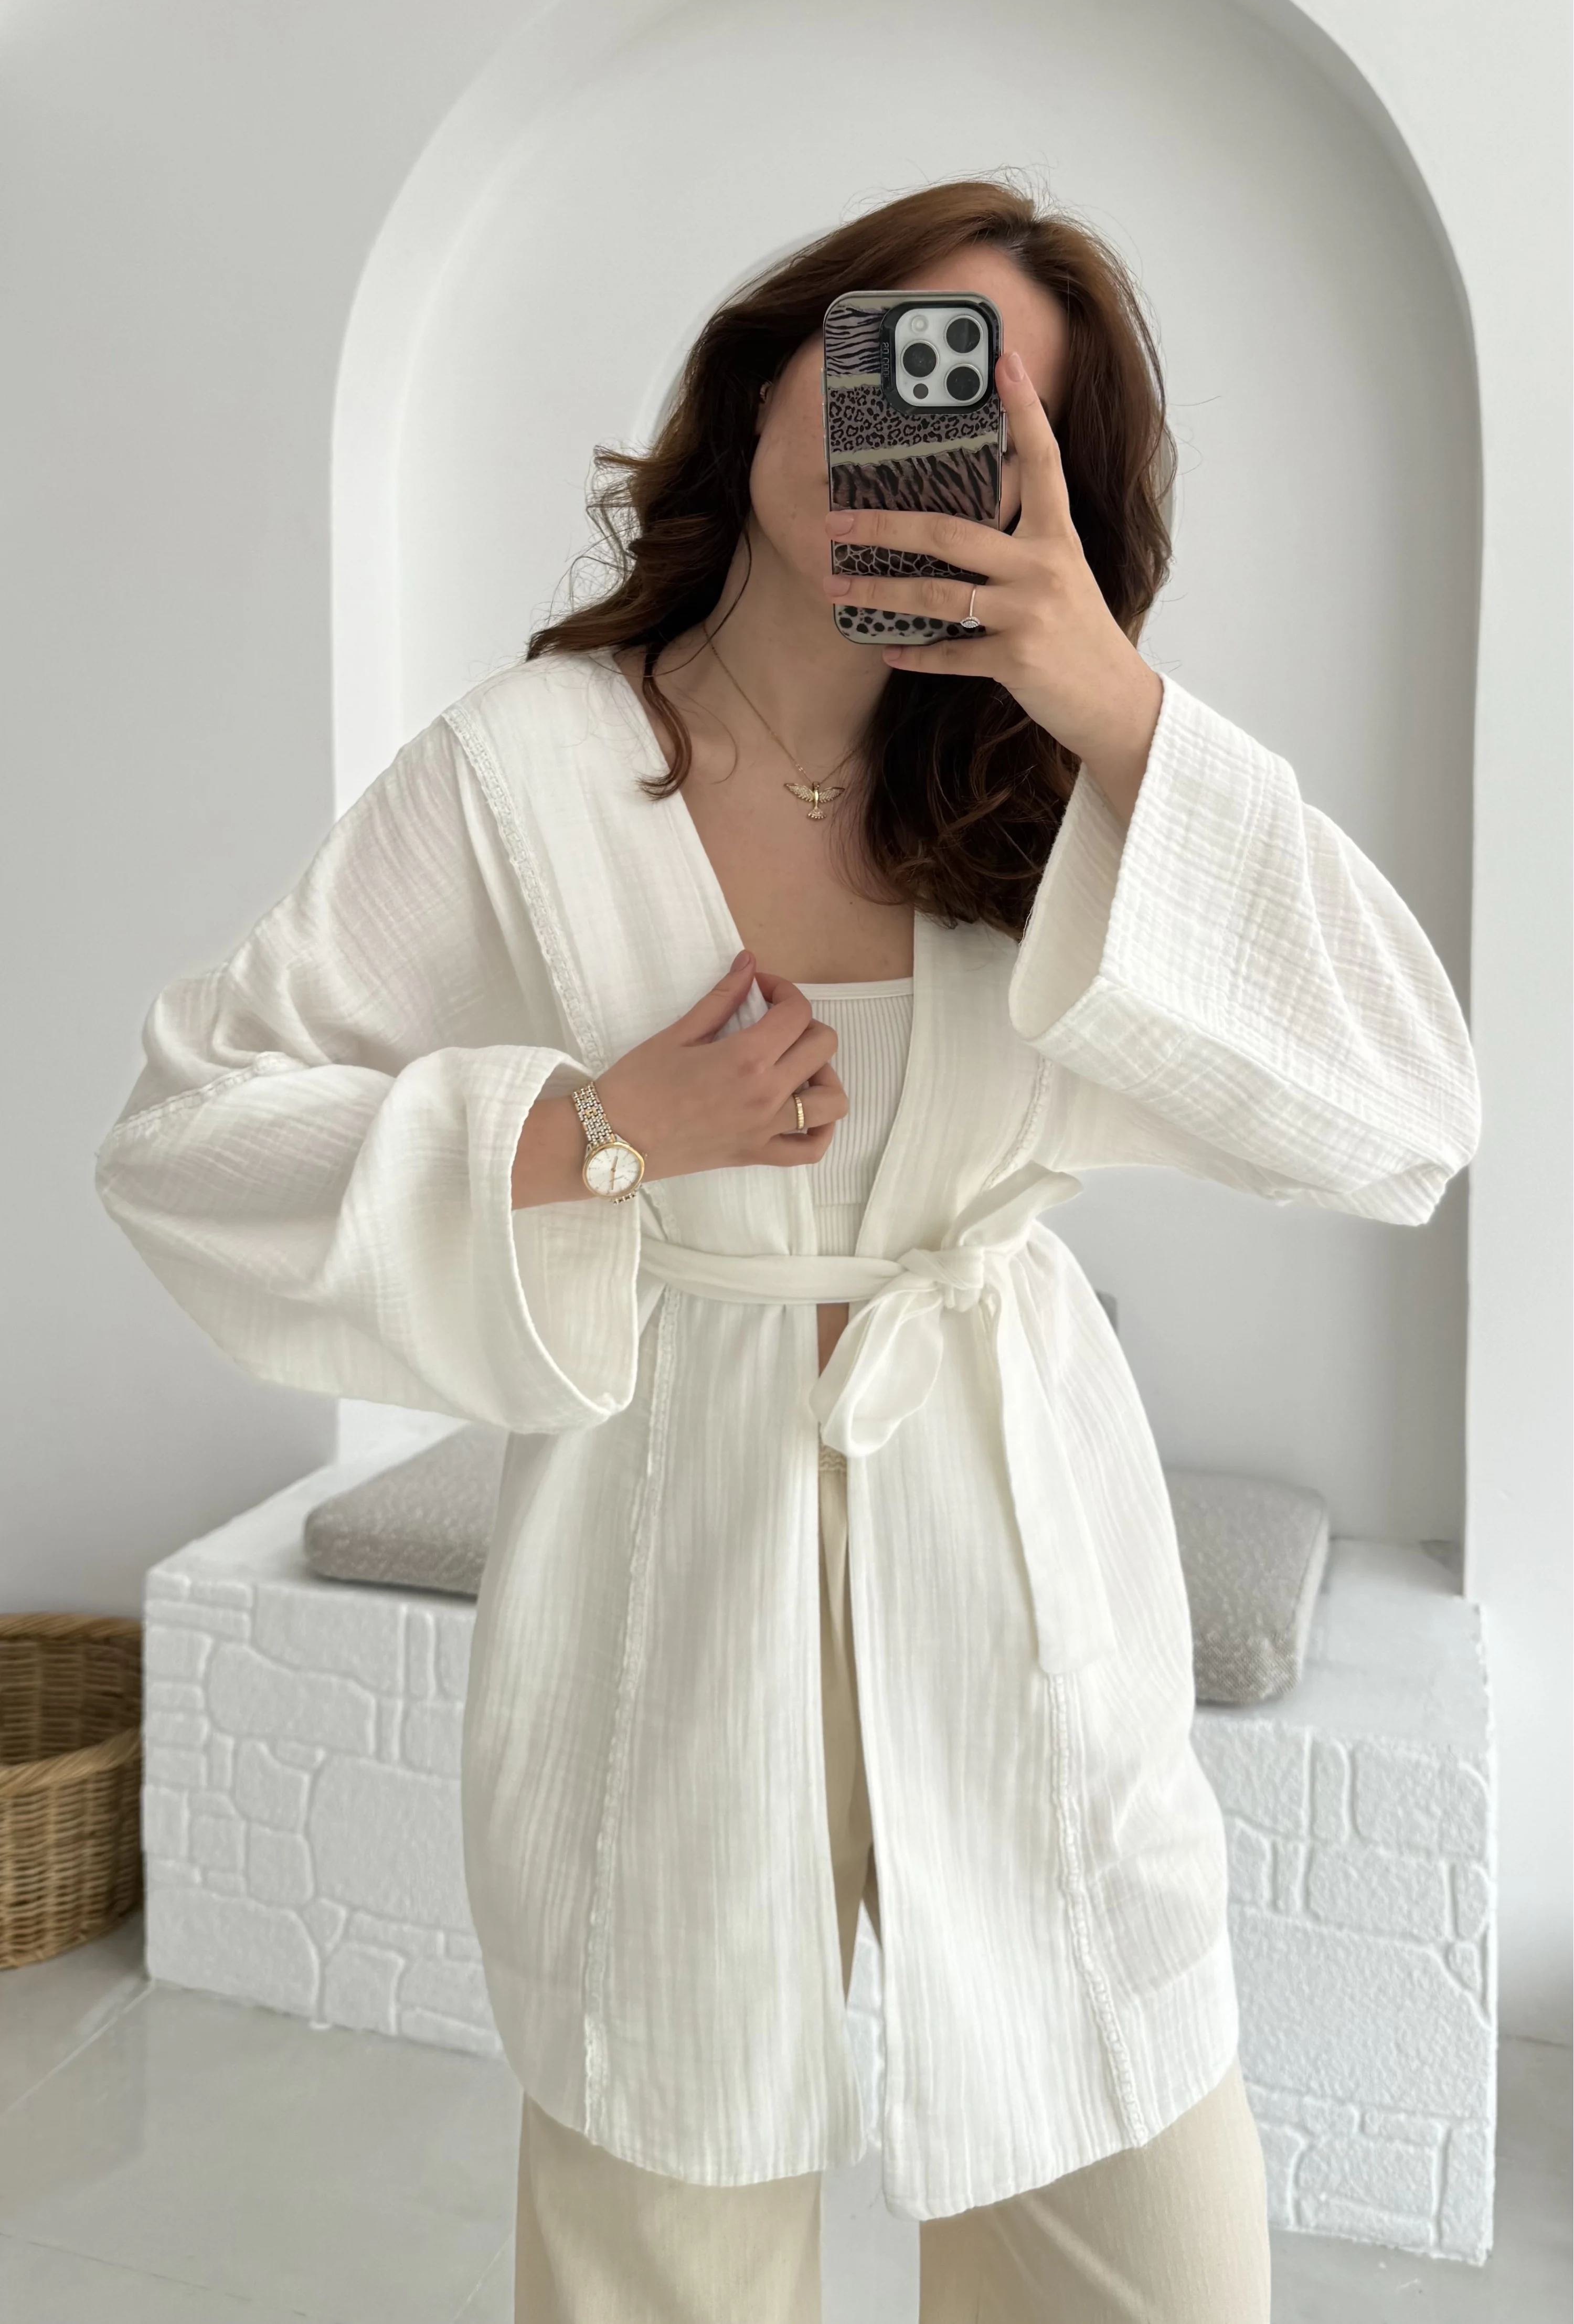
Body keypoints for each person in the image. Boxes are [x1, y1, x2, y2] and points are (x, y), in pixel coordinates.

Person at [95, 178, 1481, 2322]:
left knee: (1150, 2241)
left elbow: (1410, 1110)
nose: (912, 431)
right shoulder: (525, 773)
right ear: (770, 383)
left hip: (1012, 1550)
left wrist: (1115, 702)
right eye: (893, 356)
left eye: (989, 419)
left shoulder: (1051, 796)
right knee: (660, 2249)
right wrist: (595, 1129)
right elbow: (189, 1131)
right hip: (666, 1565)